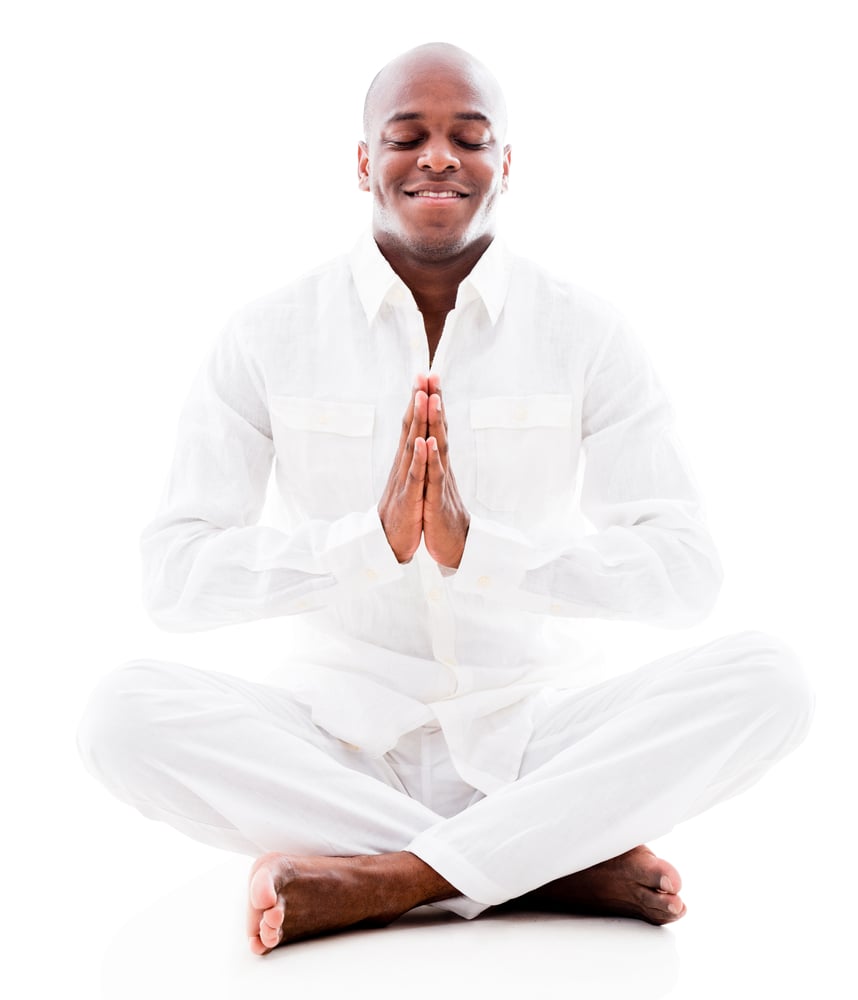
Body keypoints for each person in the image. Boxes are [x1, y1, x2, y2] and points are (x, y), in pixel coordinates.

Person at [77, 42, 814, 955]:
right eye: (406, 136)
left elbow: (684, 576)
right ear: (362, 163)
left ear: (506, 164)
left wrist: (484, 551)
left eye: (469, 137)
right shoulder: (268, 333)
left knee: (771, 682)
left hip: (535, 734)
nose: (437, 158)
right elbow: (175, 579)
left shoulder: (586, 331)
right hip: (336, 743)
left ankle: (393, 878)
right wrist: (366, 544)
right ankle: (544, 864)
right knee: (121, 715)